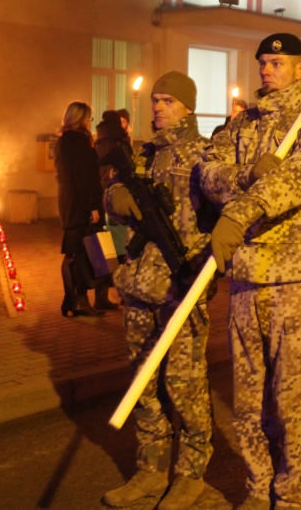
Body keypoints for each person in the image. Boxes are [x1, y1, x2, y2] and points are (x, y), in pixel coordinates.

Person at [199, 33, 301, 509]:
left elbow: (300, 177)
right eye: (263, 62)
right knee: (247, 396)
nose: (268, 69)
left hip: (295, 273)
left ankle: (291, 489)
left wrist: (243, 210)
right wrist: (244, 176)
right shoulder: (240, 126)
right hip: (247, 274)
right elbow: (208, 171)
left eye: (278, 62)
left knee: (290, 393)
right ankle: (257, 485)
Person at [102, 72, 216, 509]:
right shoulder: (143, 154)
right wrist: (117, 198)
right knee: (144, 385)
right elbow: (111, 191)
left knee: (184, 386)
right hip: (139, 286)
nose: (159, 107)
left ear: (188, 107)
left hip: (180, 285)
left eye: (169, 100)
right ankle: (149, 471)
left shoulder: (204, 153)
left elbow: (221, 210)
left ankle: (190, 475)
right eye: (155, 100)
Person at [54, 101, 105, 318]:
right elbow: (84, 177)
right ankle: (76, 300)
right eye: (89, 118)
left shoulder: (64, 141)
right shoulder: (79, 142)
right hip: (80, 204)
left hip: (69, 202)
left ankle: (72, 300)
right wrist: (92, 206)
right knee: (76, 254)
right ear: (80, 118)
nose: (89, 122)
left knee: (73, 252)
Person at [96, 110, 133, 276]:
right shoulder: (120, 141)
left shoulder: (98, 142)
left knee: (107, 237)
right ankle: (119, 274)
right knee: (120, 237)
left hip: (101, 191)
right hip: (118, 191)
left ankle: (108, 276)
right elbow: (130, 167)